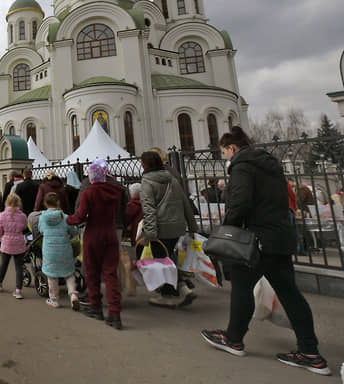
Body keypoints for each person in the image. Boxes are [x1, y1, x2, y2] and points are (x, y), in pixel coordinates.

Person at [201, 127, 331, 375]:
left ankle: (233, 339)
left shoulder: (242, 166)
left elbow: (240, 202)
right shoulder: (270, 166)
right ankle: (310, 352)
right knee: (290, 293)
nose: (225, 157)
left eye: (224, 152)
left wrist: (227, 229)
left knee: (241, 287)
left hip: (256, 239)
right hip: (280, 237)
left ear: (232, 148)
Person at [67, 159, 123, 329]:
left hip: (93, 235)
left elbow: (80, 216)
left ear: (91, 177)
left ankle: (96, 307)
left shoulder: (88, 194)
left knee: (92, 273)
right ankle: (115, 313)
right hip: (111, 234)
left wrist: (67, 219)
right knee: (110, 274)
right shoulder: (116, 192)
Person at [139, 150, 198, 307]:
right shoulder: (172, 179)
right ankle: (180, 289)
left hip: (160, 229)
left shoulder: (147, 182)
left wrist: (150, 233)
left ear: (145, 165)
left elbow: (149, 209)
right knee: (169, 258)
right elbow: (185, 203)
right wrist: (192, 226)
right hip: (177, 227)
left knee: (163, 262)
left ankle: (172, 293)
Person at [39, 192, 79, 310]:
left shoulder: (42, 218)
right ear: (58, 202)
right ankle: (73, 295)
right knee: (69, 273)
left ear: (45, 204)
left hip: (49, 250)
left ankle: (54, 299)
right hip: (64, 249)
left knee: (52, 276)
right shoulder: (65, 217)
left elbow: (41, 231)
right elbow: (74, 230)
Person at [0, 193, 28, 299]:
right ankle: (18, 290)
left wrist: (0, 237)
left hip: (7, 241)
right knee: (19, 267)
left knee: (4, 264)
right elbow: (24, 227)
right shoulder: (22, 215)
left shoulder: (2, 215)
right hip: (19, 242)